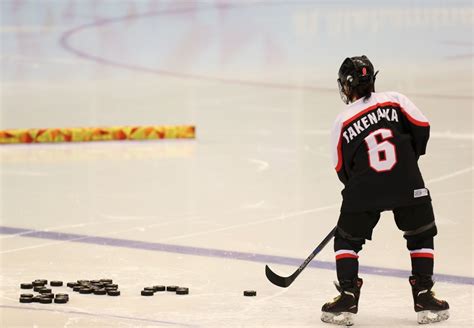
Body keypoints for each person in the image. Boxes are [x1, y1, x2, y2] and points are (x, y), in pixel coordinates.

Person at [321, 56, 450, 326]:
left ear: (346, 86)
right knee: (421, 233)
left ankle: (347, 297)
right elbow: (422, 128)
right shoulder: (395, 99)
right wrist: (406, 162)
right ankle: (424, 296)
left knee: (347, 240)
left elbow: (340, 166)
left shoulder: (342, 120)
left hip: (364, 186)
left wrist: (359, 191)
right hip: (406, 180)